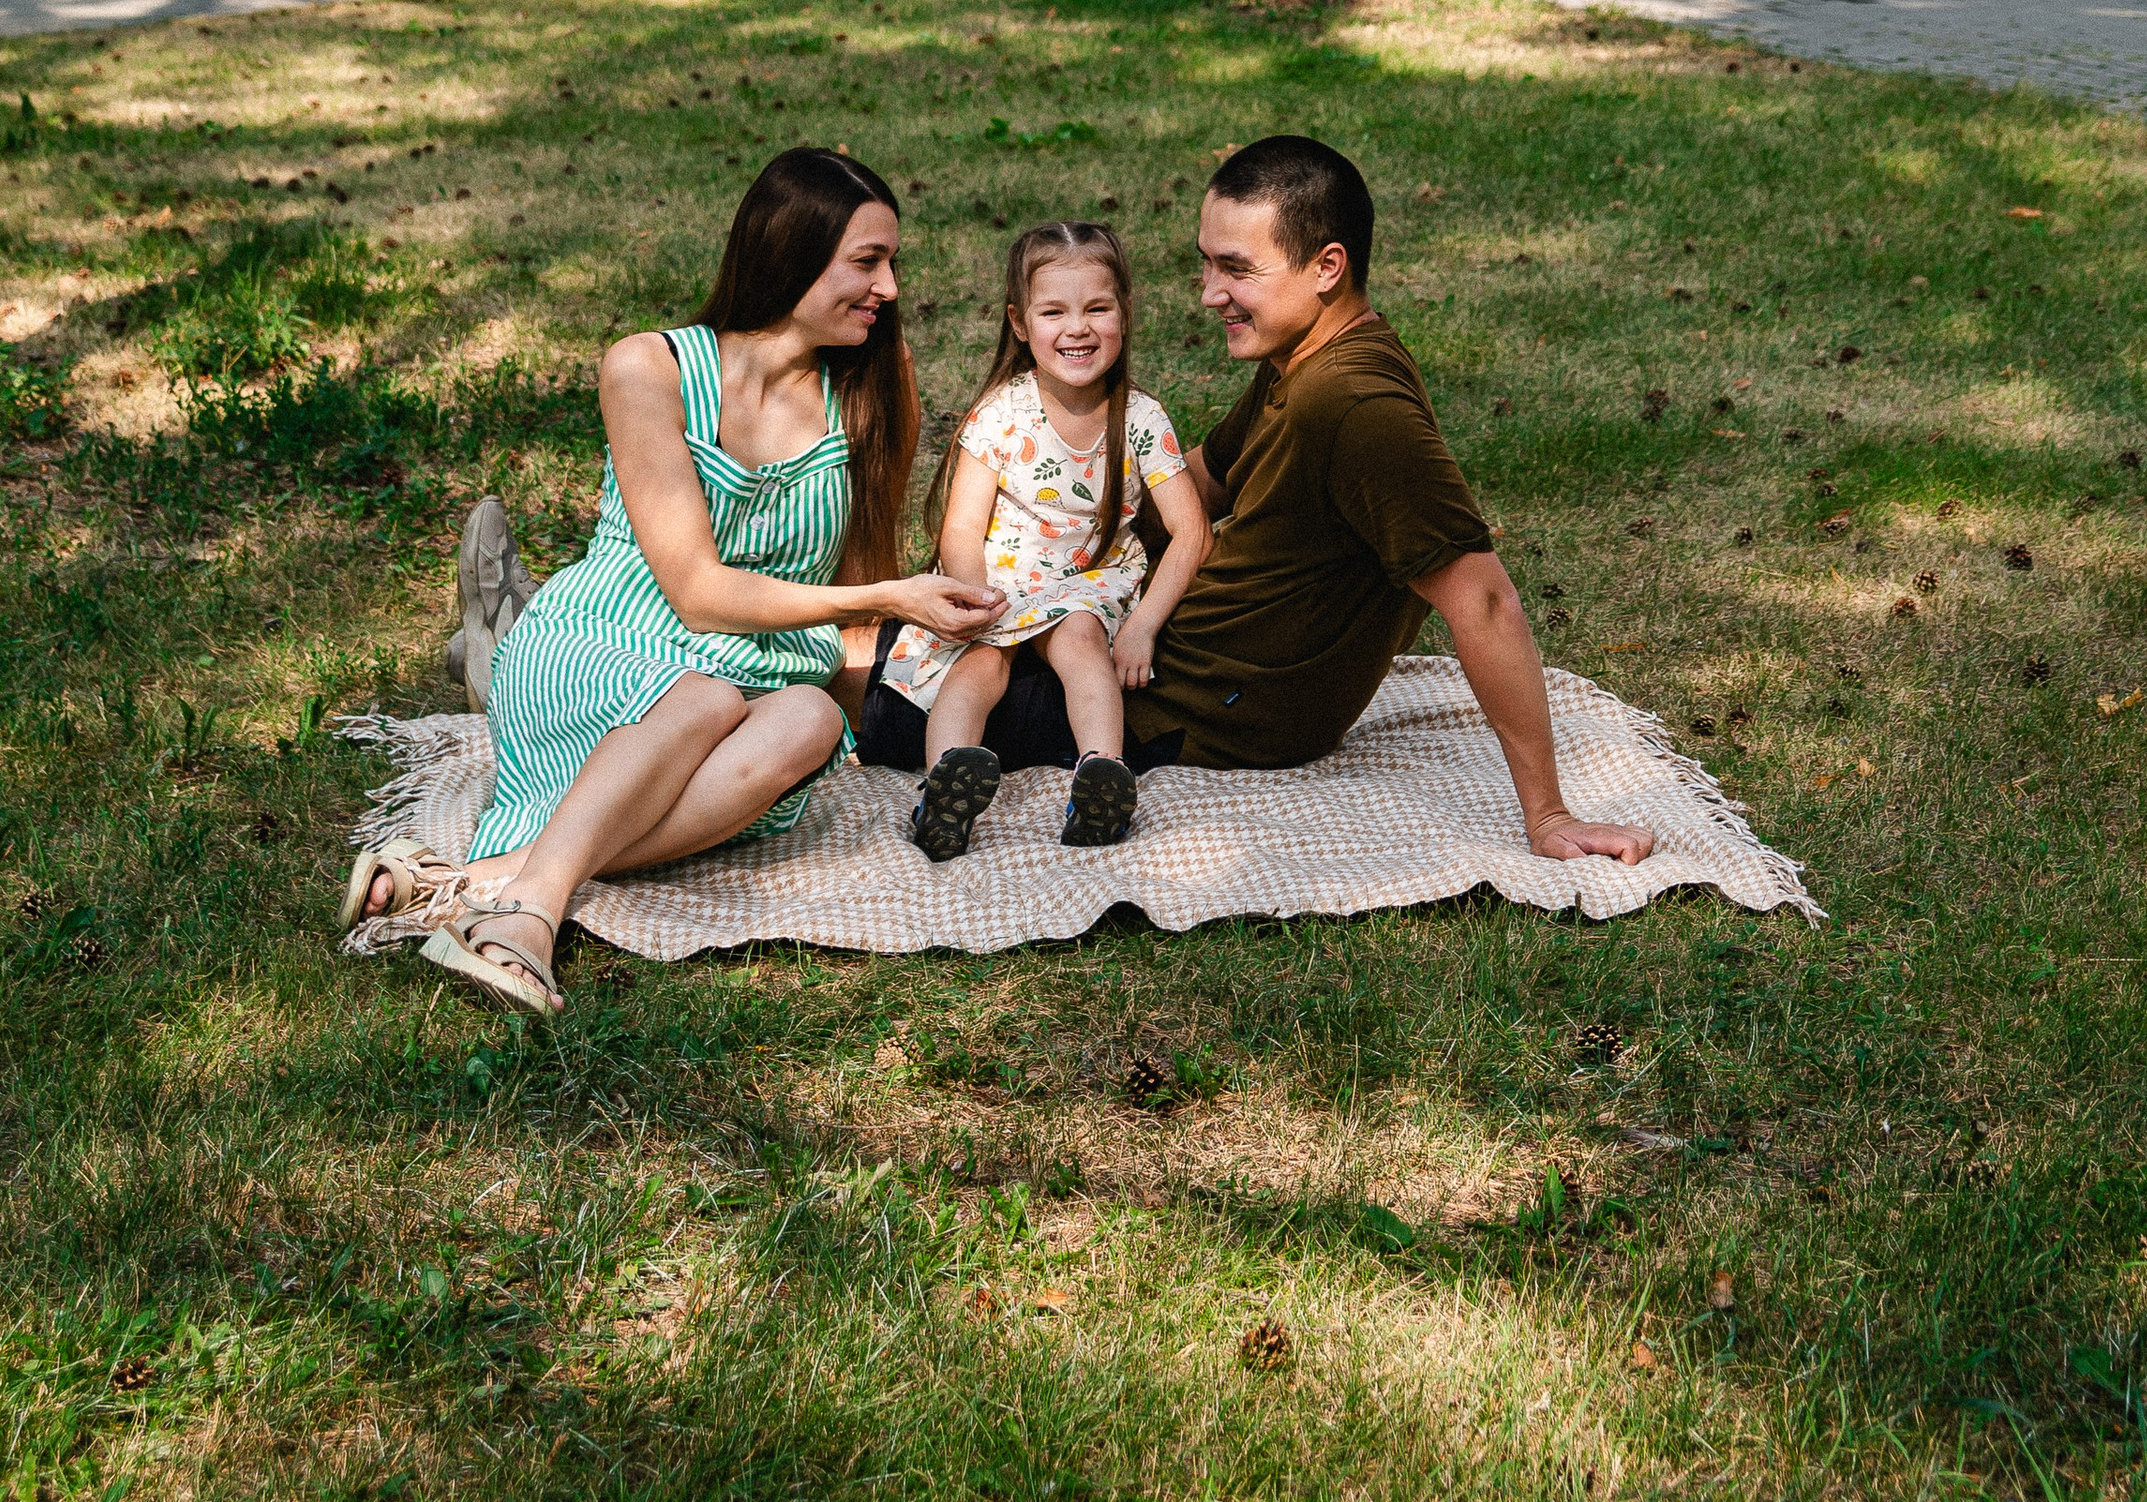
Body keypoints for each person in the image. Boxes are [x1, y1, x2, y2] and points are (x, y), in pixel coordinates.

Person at [867, 136, 1650, 869]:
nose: (1211, 296)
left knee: (891, 695)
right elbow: (1204, 476)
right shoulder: (1304, 360)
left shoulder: (1354, 405)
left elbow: (1480, 599)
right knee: (913, 628)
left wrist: (1548, 814)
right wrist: (1065, 545)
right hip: (1157, 636)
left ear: (1325, 266)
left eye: (1235, 270)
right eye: (1206, 266)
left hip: (1192, 700)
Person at [339, 148, 1003, 1012]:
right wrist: (890, 598)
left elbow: (855, 575)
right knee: (701, 698)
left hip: (755, 678)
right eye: (868, 261)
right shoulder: (647, 368)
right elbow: (697, 590)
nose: (891, 288)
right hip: (605, 644)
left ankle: (469, 880)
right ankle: (528, 917)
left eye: (893, 262)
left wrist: (868, 704)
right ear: (791, 253)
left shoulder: (871, 387)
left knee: (804, 721)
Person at [887, 221, 1210, 858]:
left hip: (1090, 580)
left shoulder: (1140, 418)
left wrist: (1143, 625)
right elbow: (961, 526)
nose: (1078, 328)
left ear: (1124, 312)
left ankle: (1100, 780)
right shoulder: (1002, 414)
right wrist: (974, 597)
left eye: (1097, 307)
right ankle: (946, 785)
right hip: (1003, 578)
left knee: (1084, 637)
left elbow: (1191, 532)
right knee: (979, 662)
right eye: (1054, 311)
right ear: (1019, 321)